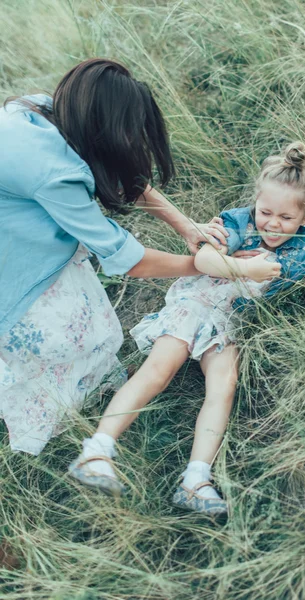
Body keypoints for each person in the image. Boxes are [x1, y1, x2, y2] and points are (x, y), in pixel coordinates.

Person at [68, 142, 305, 515]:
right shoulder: (239, 221)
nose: (272, 223)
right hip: (198, 304)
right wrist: (244, 269)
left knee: (223, 387)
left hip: (231, 320)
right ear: (256, 201)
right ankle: (96, 451)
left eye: (285, 218)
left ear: (304, 217)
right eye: (266, 211)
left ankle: (196, 479)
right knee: (159, 369)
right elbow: (203, 257)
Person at [0, 58, 233, 456]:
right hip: (14, 261)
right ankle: (51, 413)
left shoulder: (45, 109)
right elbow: (126, 258)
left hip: (20, 233)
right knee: (60, 338)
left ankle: (89, 383)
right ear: (104, 127)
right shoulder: (53, 172)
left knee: (92, 324)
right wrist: (204, 266)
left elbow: (119, 173)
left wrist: (186, 227)